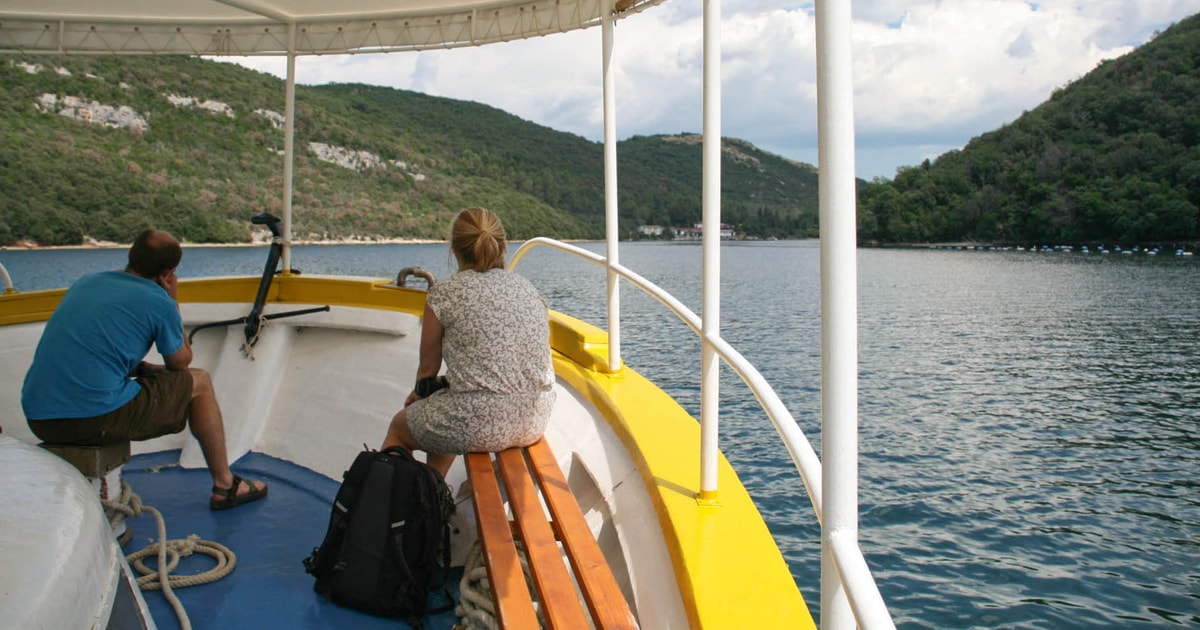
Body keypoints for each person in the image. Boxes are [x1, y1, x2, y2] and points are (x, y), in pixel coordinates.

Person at [21, 229, 268, 510]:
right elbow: (180, 363)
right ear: (169, 272)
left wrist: (144, 369)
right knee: (198, 381)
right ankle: (225, 484)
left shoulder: (86, 283)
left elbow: (94, 350)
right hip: (90, 419)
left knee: (154, 374)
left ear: (130, 254)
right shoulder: (158, 301)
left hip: (39, 417)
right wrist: (172, 299)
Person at [382, 207, 556, 477]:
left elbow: (427, 372)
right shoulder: (527, 288)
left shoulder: (444, 294)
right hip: (534, 419)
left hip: (478, 423)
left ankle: (393, 509)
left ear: (455, 250)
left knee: (400, 426)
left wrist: (419, 394)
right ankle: (434, 497)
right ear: (502, 247)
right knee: (447, 405)